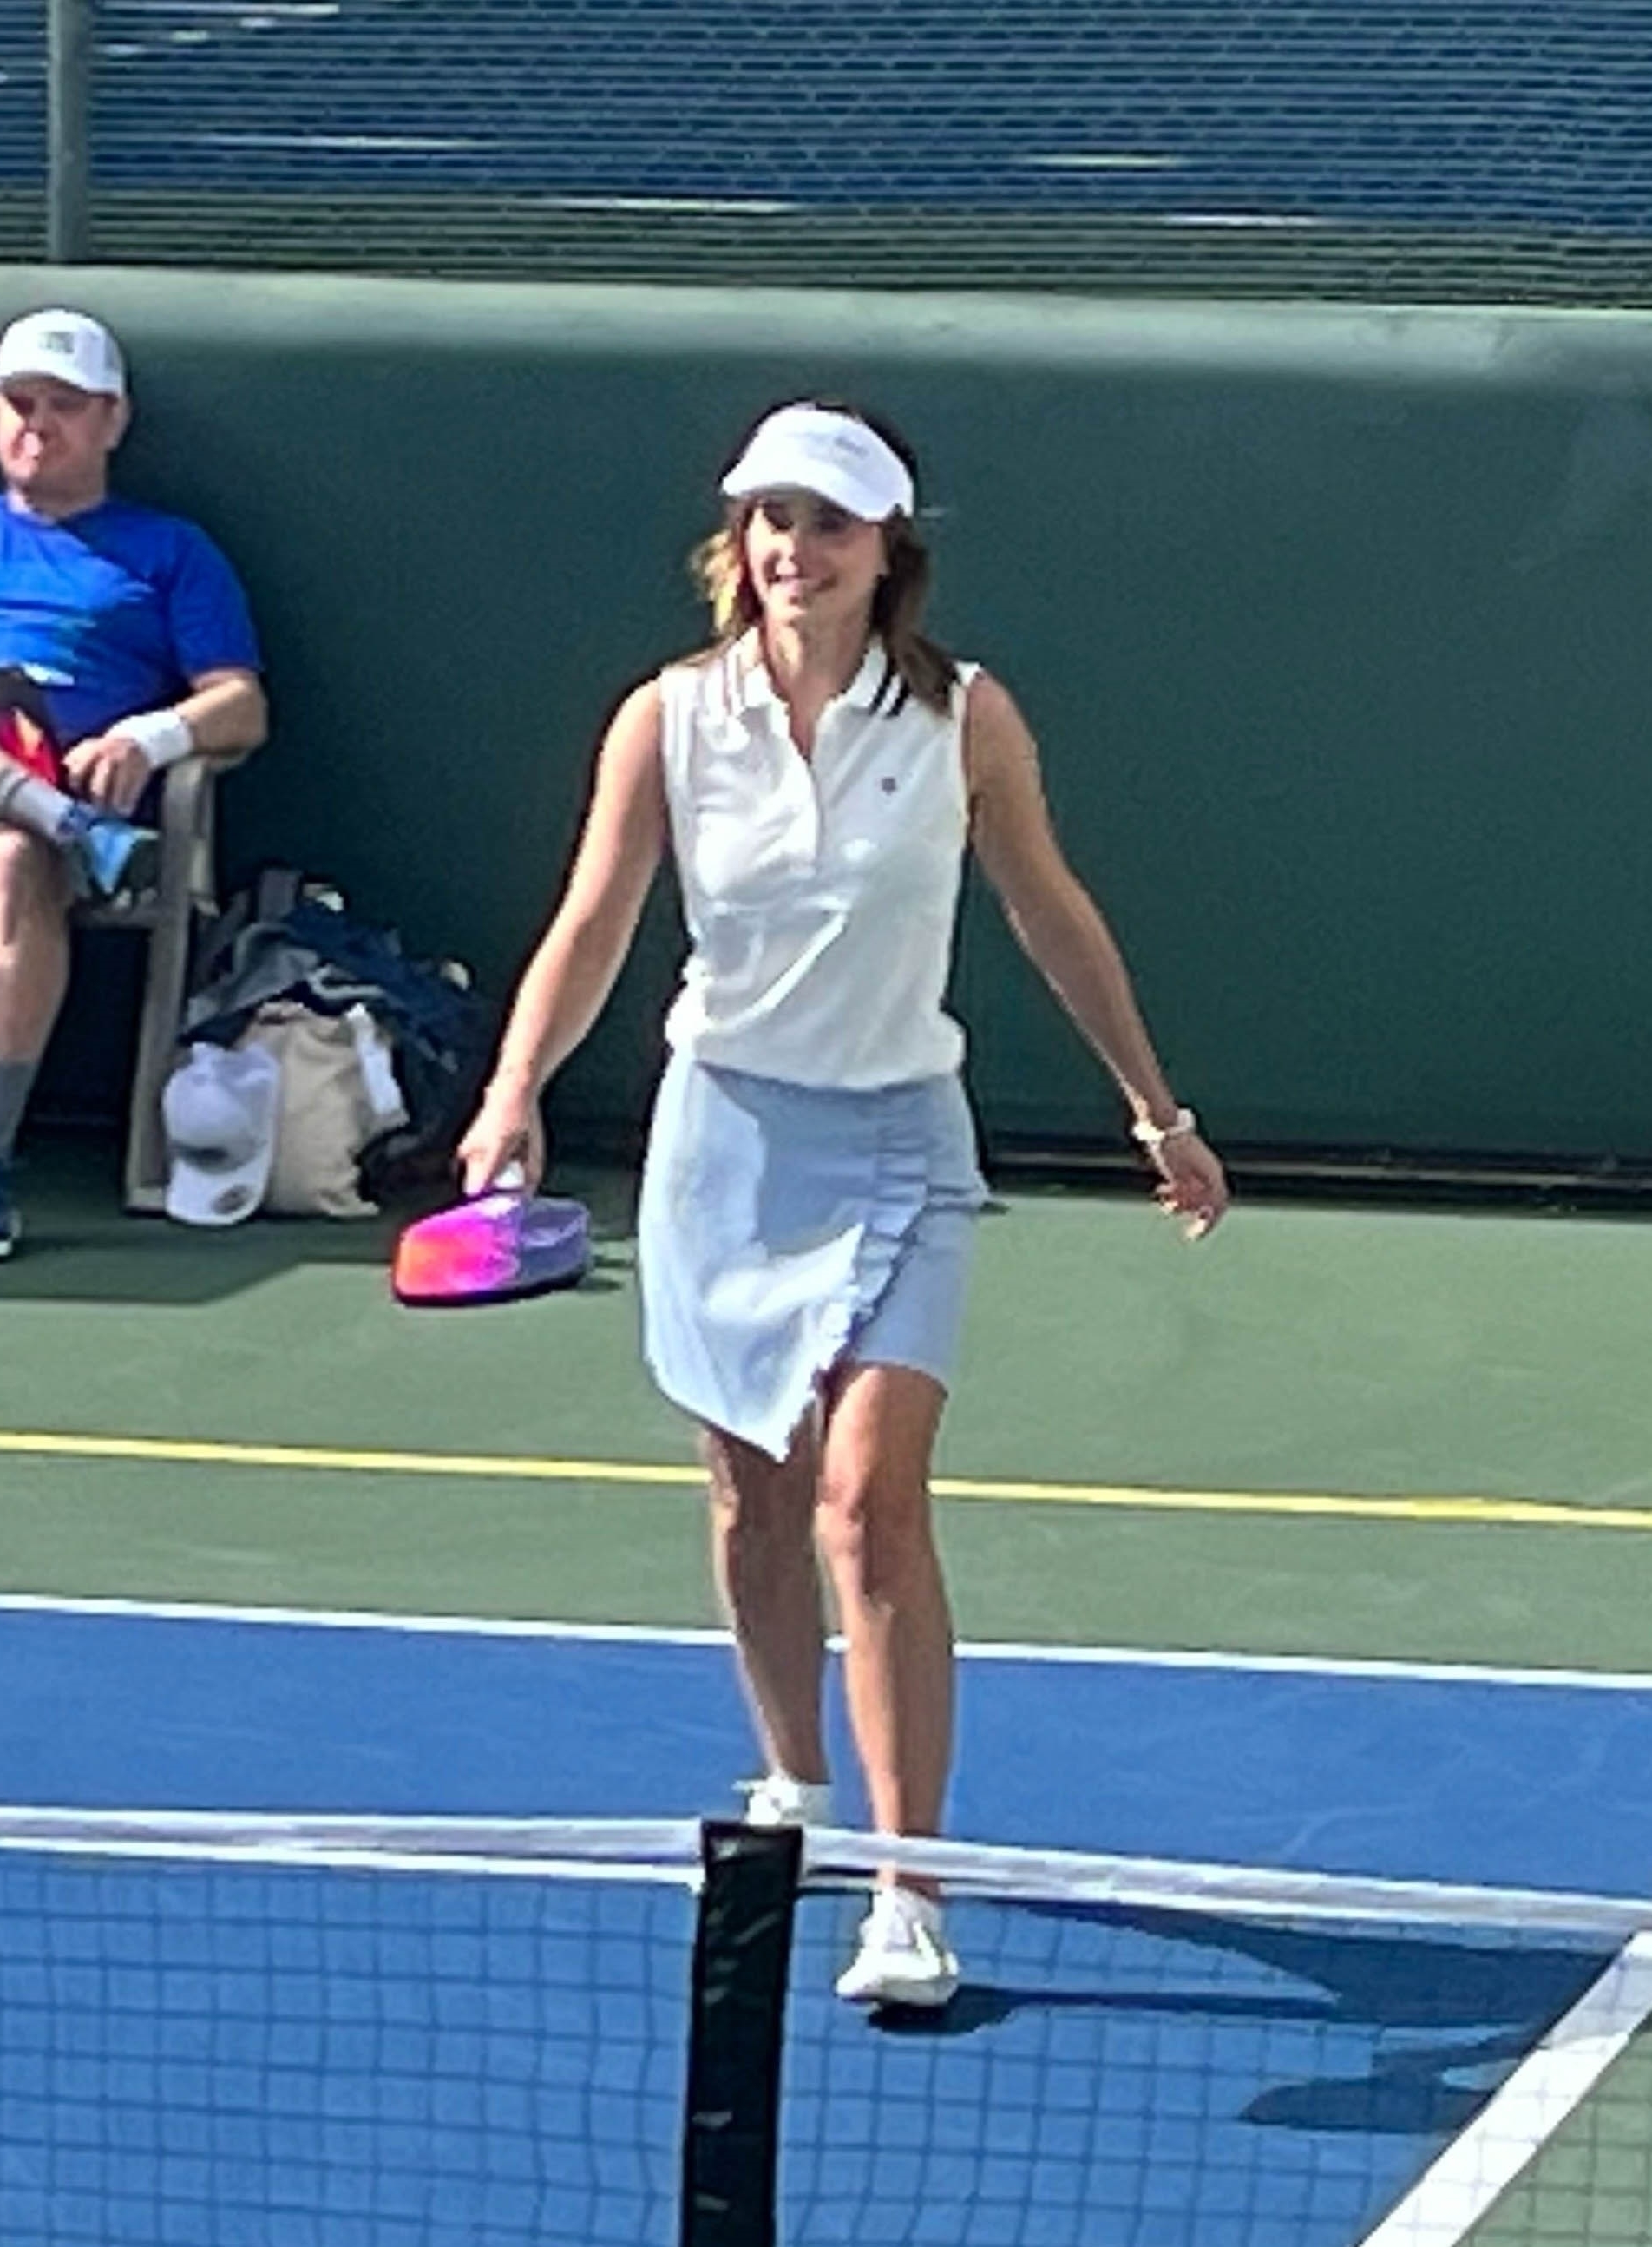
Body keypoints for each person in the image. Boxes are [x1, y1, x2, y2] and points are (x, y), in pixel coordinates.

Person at [460, 399, 1229, 2007]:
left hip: (901, 1143)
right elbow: (593, 920)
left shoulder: (964, 719)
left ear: (889, 552)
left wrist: (1155, 1109)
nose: (792, 551)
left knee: (865, 1502)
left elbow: (1048, 907)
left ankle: (907, 1885)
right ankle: (795, 1784)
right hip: (723, 1142)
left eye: (826, 524)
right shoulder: (667, 719)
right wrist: (514, 1089)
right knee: (751, 1498)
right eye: (769, 521)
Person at [0, 306, 267, 1258]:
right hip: (61, 812)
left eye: (63, 405)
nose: (36, 424)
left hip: (46, 793)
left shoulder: (168, 550)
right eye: (19, 402)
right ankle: (71, 827)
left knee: (8, 864)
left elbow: (240, 705)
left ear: (112, 420)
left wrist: (148, 737)